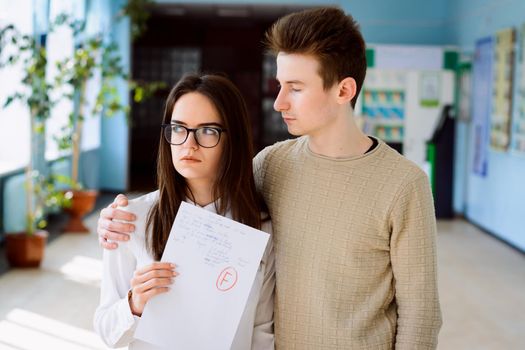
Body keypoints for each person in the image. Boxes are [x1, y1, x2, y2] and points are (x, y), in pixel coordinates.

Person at [97, 7, 441, 349]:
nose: (278, 102)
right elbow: (210, 194)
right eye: (280, 85)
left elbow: (420, 315)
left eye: (295, 88)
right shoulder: (271, 165)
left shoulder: (404, 183)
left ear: (343, 91)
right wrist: (113, 222)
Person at [94, 74, 275, 350]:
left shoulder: (259, 226)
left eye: (207, 131)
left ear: (232, 139)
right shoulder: (131, 219)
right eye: (178, 128)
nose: (189, 144)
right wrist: (135, 303)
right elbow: (107, 332)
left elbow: (261, 330)